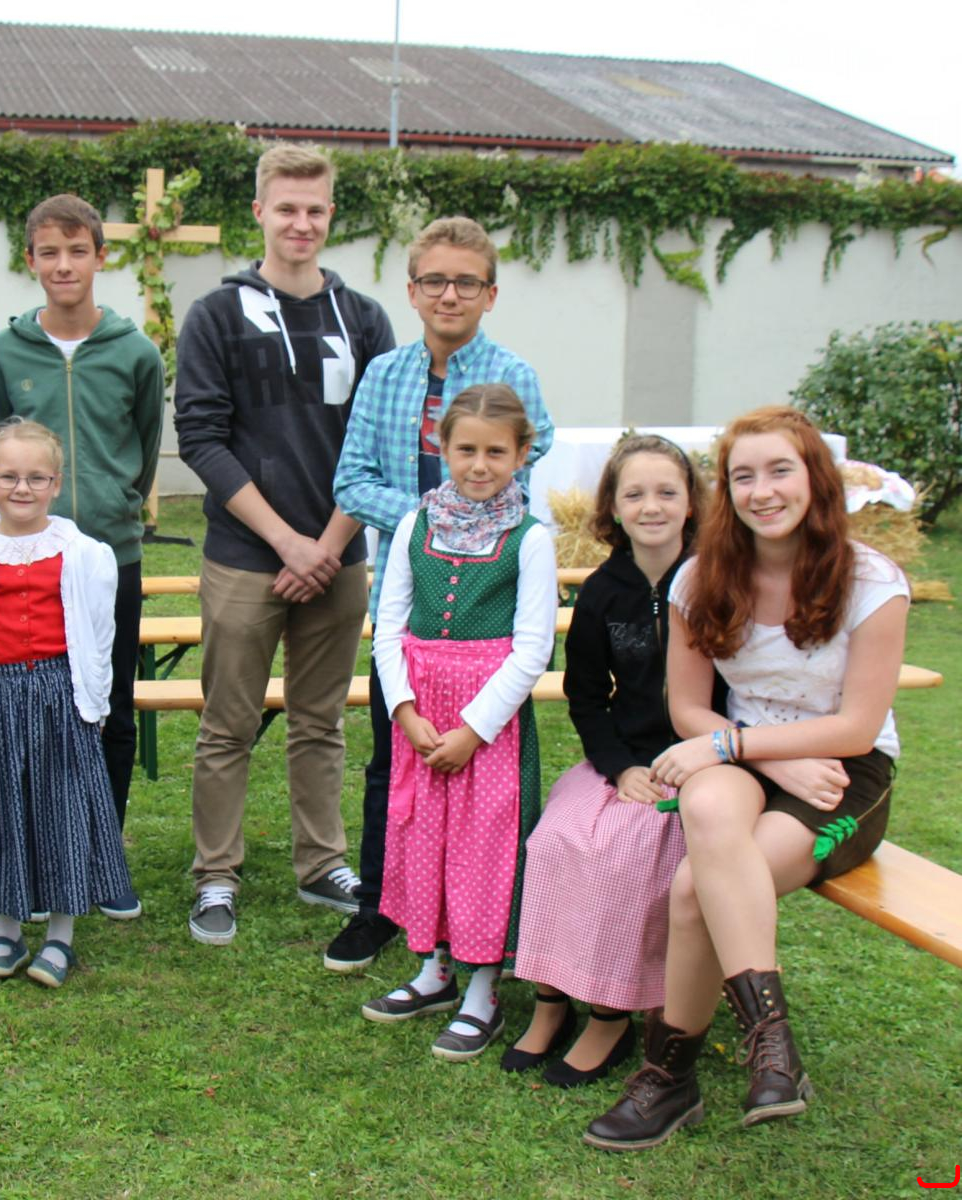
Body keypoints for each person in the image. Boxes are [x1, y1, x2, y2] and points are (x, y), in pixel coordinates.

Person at [586, 407, 909, 1151]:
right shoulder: (703, 577)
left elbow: (858, 728)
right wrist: (754, 752)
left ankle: (670, 1077)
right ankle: (772, 1048)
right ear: (725, 492)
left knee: (694, 891)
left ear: (815, 479)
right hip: (739, 754)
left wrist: (744, 746)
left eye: (779, 471)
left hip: (841, 779)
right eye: (743, 476)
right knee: (706, 803)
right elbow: (688, 708)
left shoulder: (872, 581)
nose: (762, 491)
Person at [173, 144, 396, 946]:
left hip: (339, 554)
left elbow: (380, 439)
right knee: (227, 725)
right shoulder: (217, 314)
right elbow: (201, 438)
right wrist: (285, 541)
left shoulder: (363, 318)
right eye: (287, 208)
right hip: (244, 556)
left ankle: (322, 862)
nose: (301, 223)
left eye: (316, 209)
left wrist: (326, 545)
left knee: (320, 720)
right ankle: (216, 873)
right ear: (260, 211)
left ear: (331, 215)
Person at [329, 215, 554, 974]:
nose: (448, 294)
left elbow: (521, 469)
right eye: (434, 280)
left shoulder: (514, 375)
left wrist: (466, 521)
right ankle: (380, 906)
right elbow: (351, 480)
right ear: (412, 290)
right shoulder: (384, 374)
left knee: (485, 786)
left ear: (490, 293)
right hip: (410, 607)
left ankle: (473, 916)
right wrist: (430, 521)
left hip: (485, 613)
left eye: (465, 282)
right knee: (393, 765)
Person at [0, 193, 164, 920]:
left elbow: (144, 447)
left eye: (78, 251)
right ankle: (34, 858)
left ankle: (100, 855)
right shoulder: (3, 353)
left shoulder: (134, 352)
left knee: (109, 708)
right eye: (49, 252)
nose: (64, 265)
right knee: (31, 710)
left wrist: (116, 504)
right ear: (30, 260)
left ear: (100, 256)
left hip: (109, 558)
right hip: (27, 564)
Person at [506, 436, 710, 1087]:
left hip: (697, 763)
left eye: (667, 492)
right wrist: (619, 768)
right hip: (622, 759)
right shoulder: (601, 591)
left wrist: (695, 759)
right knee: (554, 839)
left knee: (624, 853)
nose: (652, 506)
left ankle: (610, 1014)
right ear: (614, 509)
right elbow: (587, 698)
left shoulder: (717, 581)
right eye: (635, 494)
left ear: (691, 503)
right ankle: (551, 999)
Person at [365, 384, 557, 1061]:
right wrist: (404, 710)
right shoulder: (415, 526)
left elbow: (533, 648)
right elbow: (388, 627)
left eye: (496, 452)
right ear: (441, 447)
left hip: (487, 726)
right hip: (421, 715)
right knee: (426, 839)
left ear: (522, 454)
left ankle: (484, 988)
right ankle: (435, 969)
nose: (480, 465)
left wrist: (474, 729)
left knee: (484, 849)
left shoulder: (529, 539)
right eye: (466, 449)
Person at [0, 419, 133, 988]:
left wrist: (93, 703)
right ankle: (7, 933)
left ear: (56, 483)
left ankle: (60, 937)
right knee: (1, 807)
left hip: (60, 693)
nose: (21, 488)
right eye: (8, 477)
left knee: (62, 809)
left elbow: (100, 635)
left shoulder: (85, 555)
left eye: (36, 478)